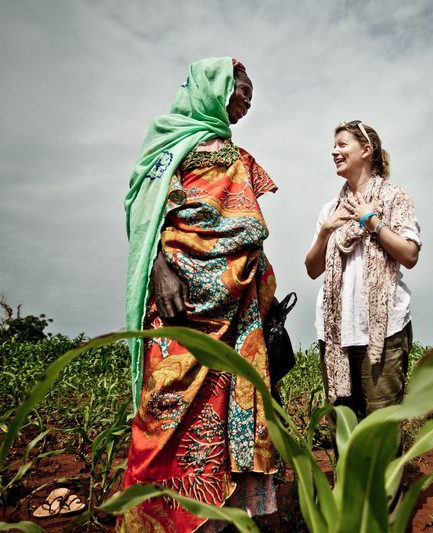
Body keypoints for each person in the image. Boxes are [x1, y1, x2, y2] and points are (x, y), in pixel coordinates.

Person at [121, 57, 279, 532]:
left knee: (228, 414)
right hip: (179, 302)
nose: (246, 100)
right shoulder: (167, 146)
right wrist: (158, 268)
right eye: (240, 89)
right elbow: (145, 217)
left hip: (237, 310)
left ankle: (221, 521)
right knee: (163, 412)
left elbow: (247, 230)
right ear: (212, 89)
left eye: (251, 94)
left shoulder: (237, 154)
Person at [305, 120, 421, 424]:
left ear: (366, 150)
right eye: (334, 146)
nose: (334, 151)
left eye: (342, 144)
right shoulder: (330, 209)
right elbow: (312, 269)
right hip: (335, 333)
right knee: (343, 427)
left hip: (384, 331)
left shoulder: (395, 199)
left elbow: (410, 255)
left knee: (380, 428)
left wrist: (371, 221)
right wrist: (325, 232)